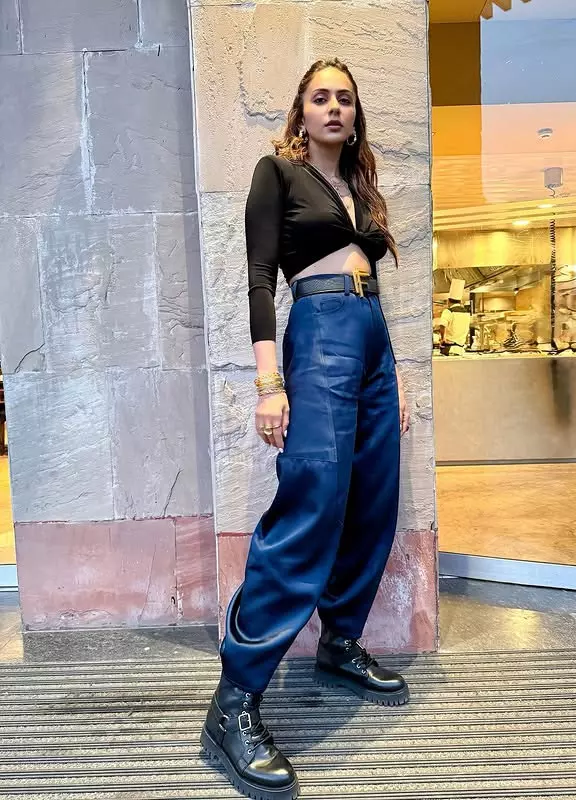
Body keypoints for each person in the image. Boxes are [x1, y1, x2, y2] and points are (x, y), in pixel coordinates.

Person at [200, 58, 411, 800]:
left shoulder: (359, 186)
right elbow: (259, 278)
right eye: (321, 97)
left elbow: (372, 284)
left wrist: (395, 376)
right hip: (318, 331)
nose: (334, 108)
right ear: (301, 111)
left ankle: (340, 641)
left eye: (345, 99)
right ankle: (234, 700)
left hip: (371, 338)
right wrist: (269, 383)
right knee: (311, 505)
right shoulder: (278, 174)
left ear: (355, 116)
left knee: (372, 499)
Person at [439, 279, 470, 356]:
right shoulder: (466, 313)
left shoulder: (448, 311)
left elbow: (442, 325)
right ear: (460, 301)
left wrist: (443, 339)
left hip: (450, 349)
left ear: (448, 301)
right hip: (461, 350)